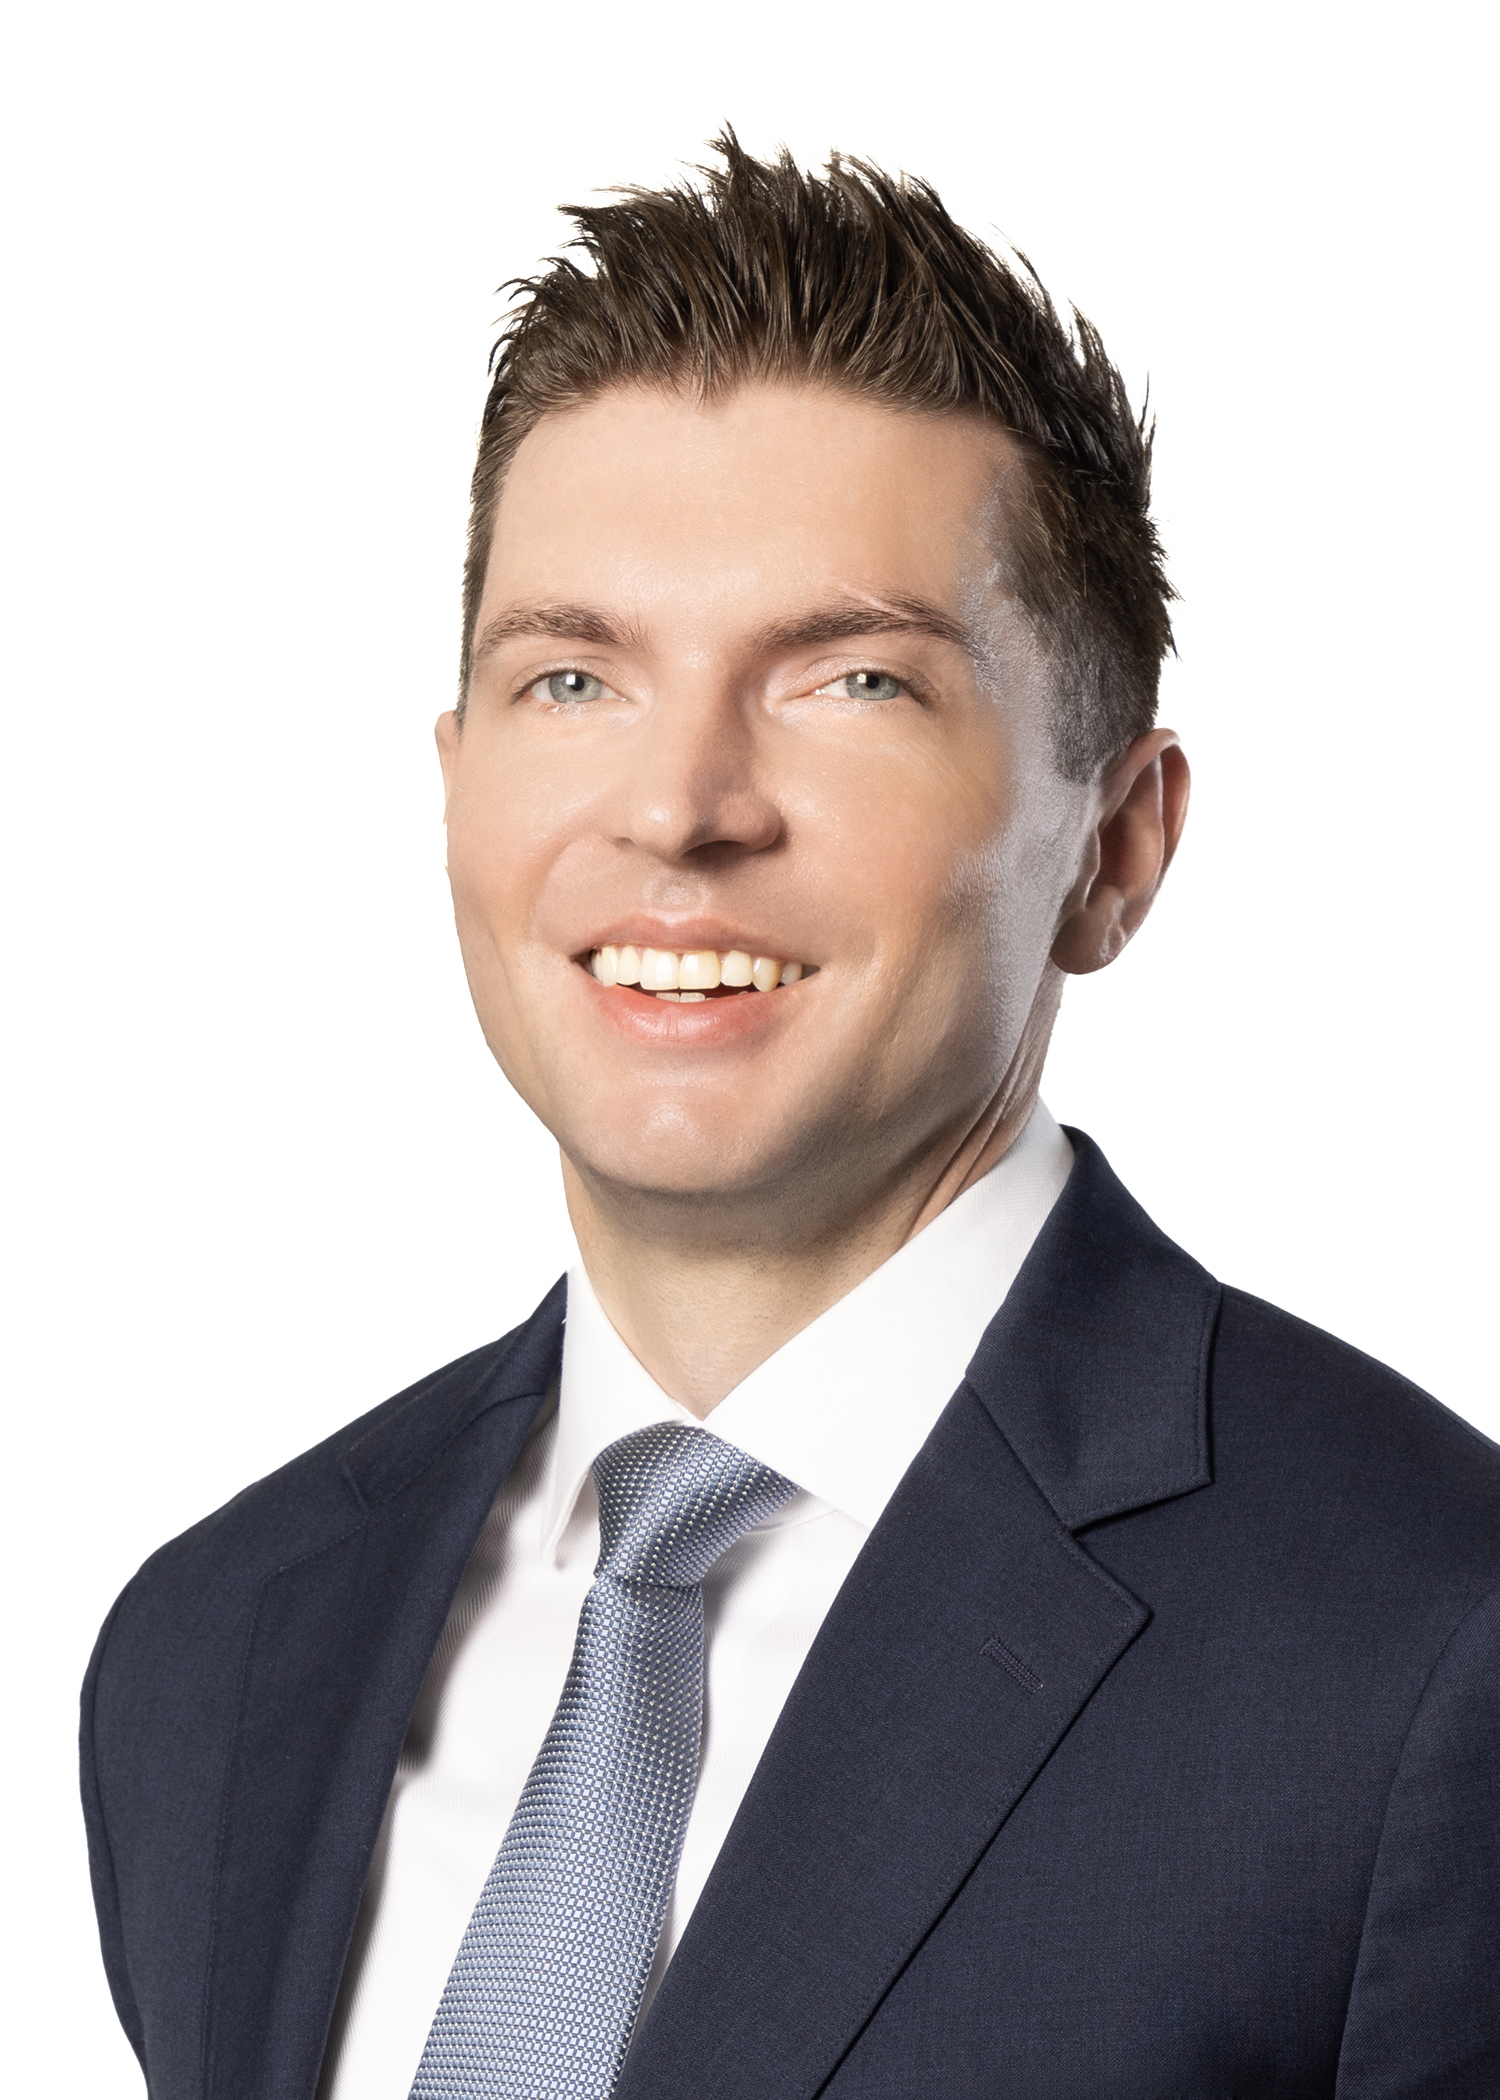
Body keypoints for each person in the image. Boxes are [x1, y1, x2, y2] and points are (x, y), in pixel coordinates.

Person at [81, 136, 1500, 2100]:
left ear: (1116, 844)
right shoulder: (212, 1654)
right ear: (454, 783)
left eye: (851, 683)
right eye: (572, 679)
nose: (680, 808)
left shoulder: (1429, 1663)